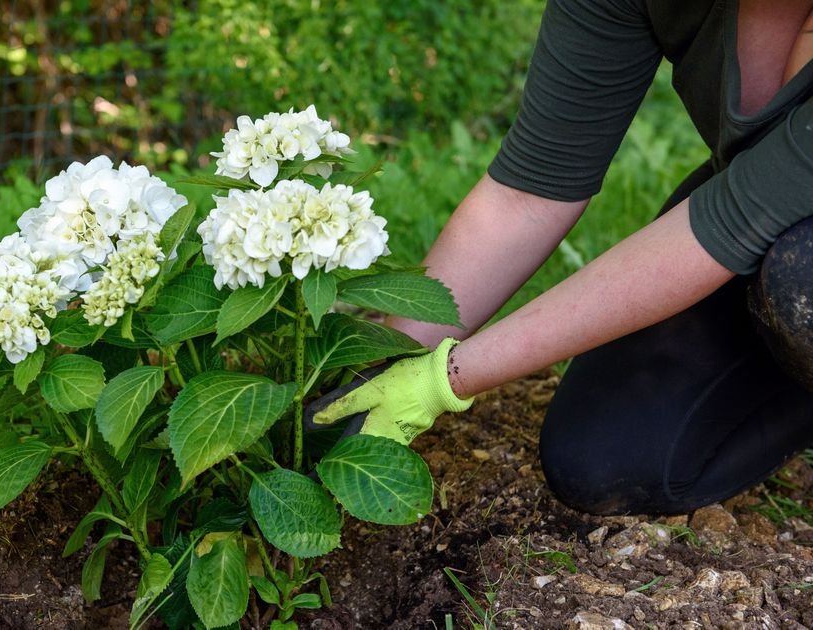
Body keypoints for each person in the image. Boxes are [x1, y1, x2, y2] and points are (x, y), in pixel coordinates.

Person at [308, 0, 813, 516]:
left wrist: (444, 379)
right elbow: (530, 191)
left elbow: (724, 227)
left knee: (803, 282)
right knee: (605, 456)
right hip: (759, 218)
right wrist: (385, 358)